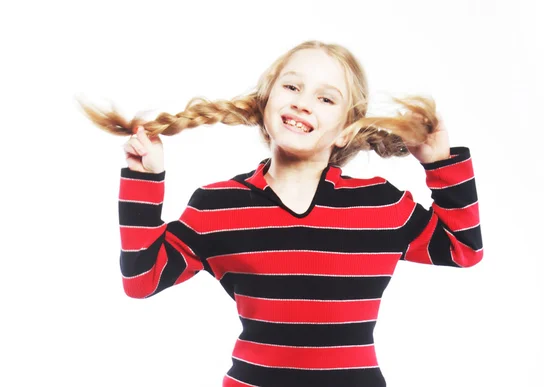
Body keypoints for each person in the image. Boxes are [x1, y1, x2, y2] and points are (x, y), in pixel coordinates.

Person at [79, 40, 483, 387]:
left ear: (345, 129)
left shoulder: (380, 205)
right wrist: (145, 179)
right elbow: (141, 278)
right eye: (292, 86)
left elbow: (464, 248)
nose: (302, 102)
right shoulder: (217, 206)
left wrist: (439, 163)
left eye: (326, 98)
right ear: (265, 103)